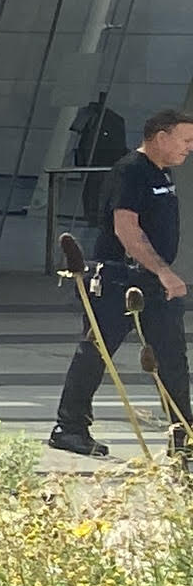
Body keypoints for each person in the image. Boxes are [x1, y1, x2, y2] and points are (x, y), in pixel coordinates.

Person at [52, 104, 193, 458]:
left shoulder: (162, 172)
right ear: (161, 137)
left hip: (151, 282)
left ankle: (183, 433)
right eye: (185, 139)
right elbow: (126, 229)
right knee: (96, 352)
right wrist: (163, 271)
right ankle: (69, 428)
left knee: (173, 358)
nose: (189, 147)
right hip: (120, 278)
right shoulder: (131, 171)